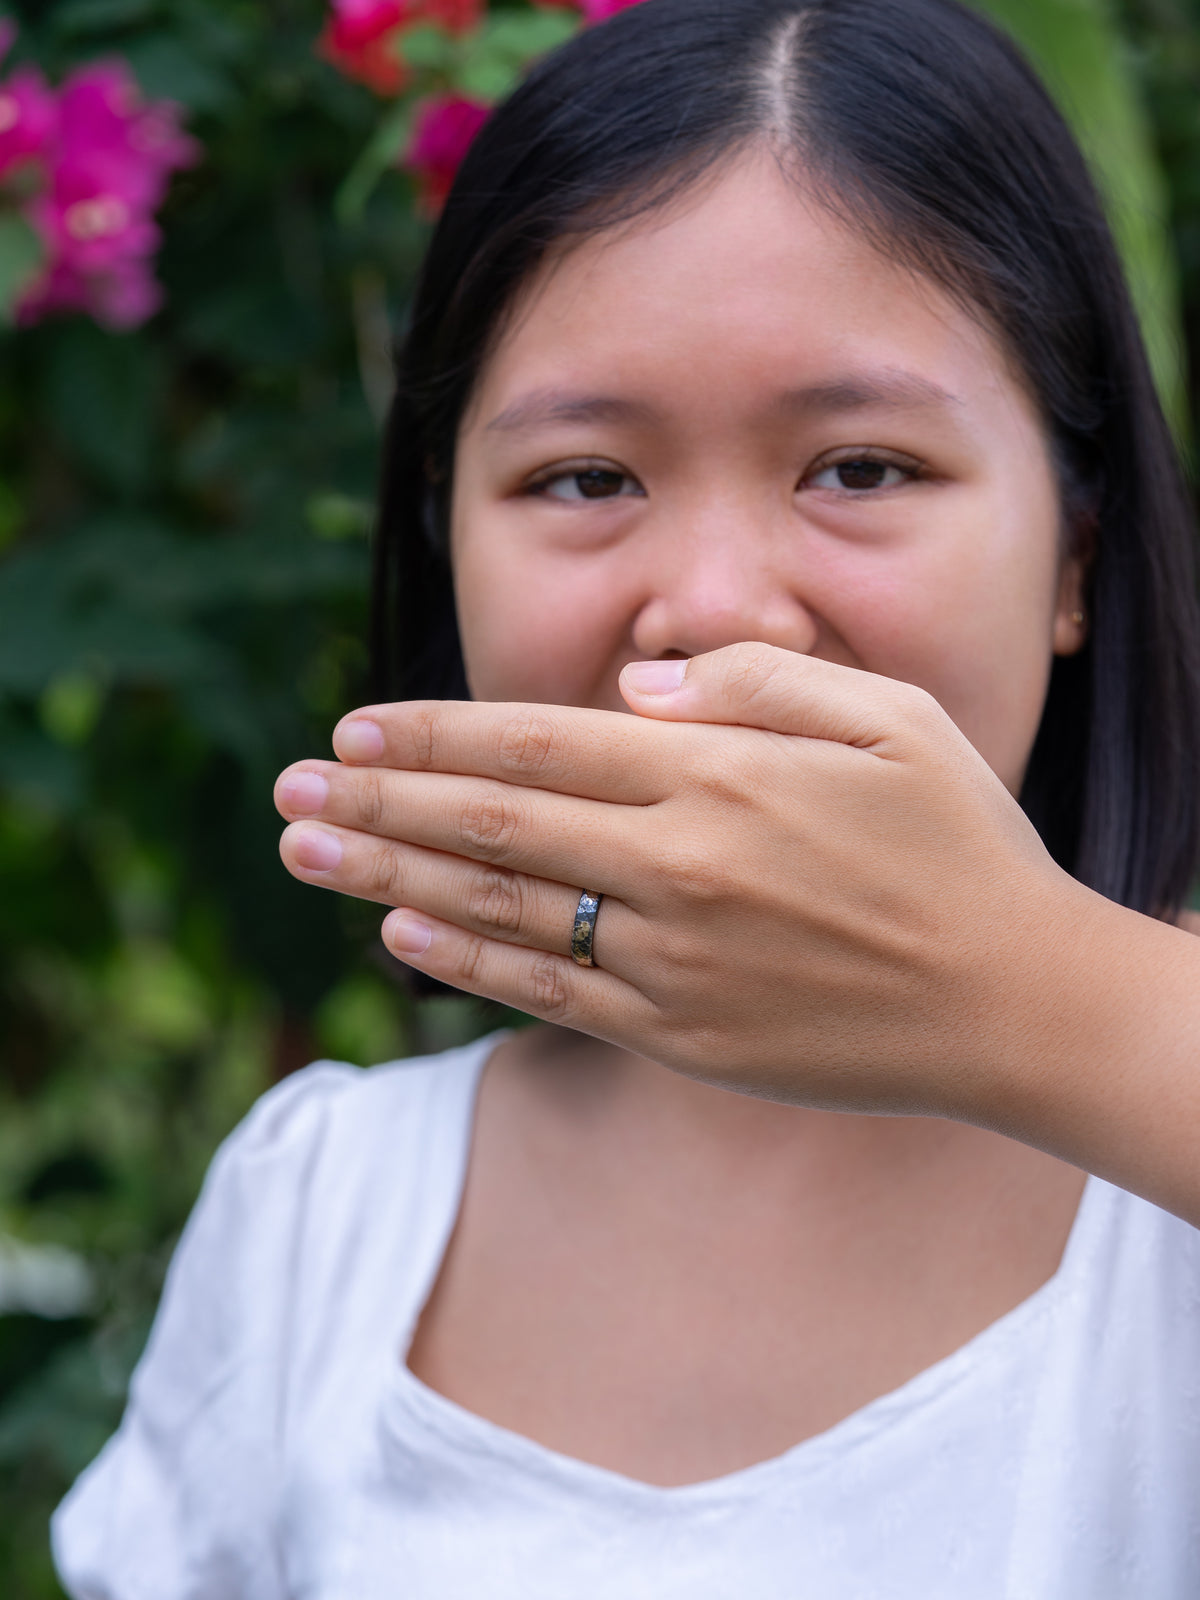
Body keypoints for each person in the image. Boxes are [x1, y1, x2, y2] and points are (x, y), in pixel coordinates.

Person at [52, 0, 1200, 1593]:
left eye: (860, 467)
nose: (718, 609)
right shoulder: (317, 1212)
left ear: (1075, 556)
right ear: (444, 538)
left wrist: (1039, 1002)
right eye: (585, 479)